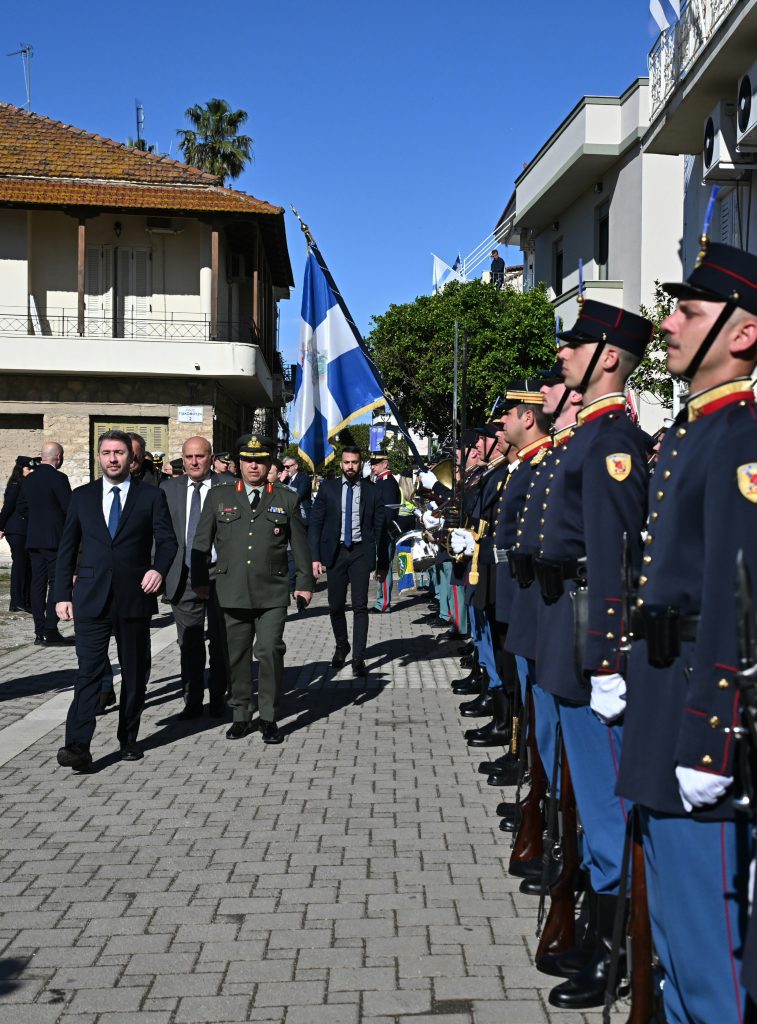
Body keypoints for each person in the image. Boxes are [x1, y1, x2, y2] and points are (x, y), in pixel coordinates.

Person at [617, 241, 757, 1024]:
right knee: (670, 946)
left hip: (696, 728)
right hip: (661, 704)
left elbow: (740, 601)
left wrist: (711, 745)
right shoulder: (687, 434)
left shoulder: (738, 438)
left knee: (710, 972)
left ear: (740, 335)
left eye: (688, 311)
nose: (667, 324)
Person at [532, 300, 653, 1010]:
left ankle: (617, 948)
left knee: (606, 809)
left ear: (608, 356)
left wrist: (607, 660)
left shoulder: (611, 440)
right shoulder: (586, 435)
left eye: (575, 345)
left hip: (587, 642)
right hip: (564, 635)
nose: (565, 356)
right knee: (585, 795)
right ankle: (597, 928)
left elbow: (611, 557)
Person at [54, 430, 177, 770]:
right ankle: (77, 745)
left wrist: (159, 570)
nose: (112, 458)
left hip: (134, 597)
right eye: (106, 452)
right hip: (91, 598)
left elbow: (167, 542)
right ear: (98, 456)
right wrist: (62, 594)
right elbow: (66, 550)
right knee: (89, 673)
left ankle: (128, 738)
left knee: (136, 672)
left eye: (119, 453)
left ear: (131, 458)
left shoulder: (151, 497)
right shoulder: (82, 497)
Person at [191, 435, 313, 744]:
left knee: (270, 651)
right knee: (237, 655)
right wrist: (200, 582)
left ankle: (269, 717)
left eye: (259, 460)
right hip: (231, 590)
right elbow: (201, 543)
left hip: (271, 591)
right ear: (239, 463)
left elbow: (300, 546)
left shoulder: (286, 498)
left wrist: (304, 585)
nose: (253, 465)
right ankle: (241, 714)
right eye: (247, 459)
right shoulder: (219, 496)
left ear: (270, 463)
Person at [160, 435, 228, 720]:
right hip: (184, 575)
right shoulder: (168, 489)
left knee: (221, 640)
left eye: (200, 456)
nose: (194, 462)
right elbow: (160, 534)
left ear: (211, 458)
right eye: (189, 457)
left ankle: (218, 697)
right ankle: (192, 700)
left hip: (221, 574)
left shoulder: (229, 486)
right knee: (188, 642)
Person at [309, 446, 388, 677]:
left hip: (361, 552)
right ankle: (342, 644)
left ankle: (358, 658)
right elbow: (316, 523)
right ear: (341, 464)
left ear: (360, 464)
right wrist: (315, 557)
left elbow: (381, 529)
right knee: (335, 605)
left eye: (354, 462)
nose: (350, 467)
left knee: (360, 605)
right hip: (336, 552)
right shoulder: (328, 489)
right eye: (346, 462)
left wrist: (381, 563)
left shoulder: (372, 492)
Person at [17, 441, 73, 646]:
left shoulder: (28, 480)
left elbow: (21, 507)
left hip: (33, 538)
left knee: (37, 584)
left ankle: (39, 630)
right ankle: (50, 629)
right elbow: (69, 508)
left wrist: (36, 521)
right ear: (58, 457)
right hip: (54, 539)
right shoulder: (59, 478)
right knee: (56, 582)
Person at [0, 456, 35, 612]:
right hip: (16, 530)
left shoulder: (25, 484)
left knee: (26, 565)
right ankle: (17, 602)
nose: (31, 471)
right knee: (20, 565)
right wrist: (0, 527)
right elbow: (7, 508)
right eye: (29, 469)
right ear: (21, 470)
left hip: (23, 530)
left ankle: (24, 600)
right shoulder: (16, 485)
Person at [370, 455, 401, 614]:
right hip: (380, 530)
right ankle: (380, 600)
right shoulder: (381, 481)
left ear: (385, 463)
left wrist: (380, 531)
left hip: (384, 531)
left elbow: (388, 511)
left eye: (375, 464)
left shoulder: (388, 482)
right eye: (372, 464)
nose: (372, 467)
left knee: (384, 566)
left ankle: (384, 603)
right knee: (380, 566)